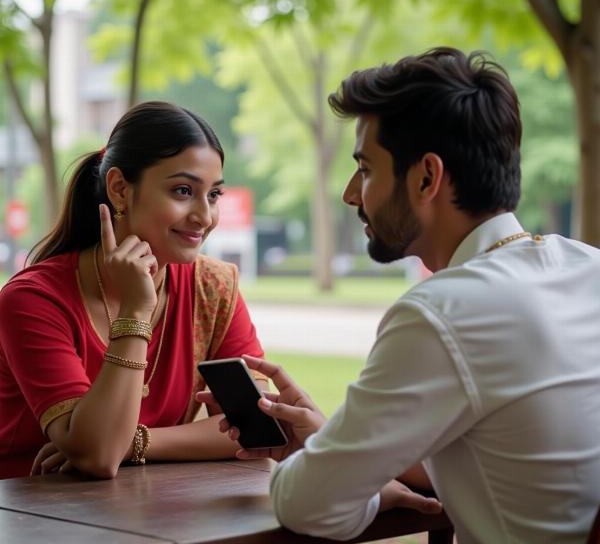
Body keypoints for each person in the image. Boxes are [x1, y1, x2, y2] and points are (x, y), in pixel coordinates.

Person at [199, 48, 600, 542]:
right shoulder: (589, 267)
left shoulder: (445, 311)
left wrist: (340, 477)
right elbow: (518, 455)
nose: (350, 193)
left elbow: (307, 506)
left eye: (365, 168)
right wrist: (336, 448)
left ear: (426, 177)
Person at [0, 101, 266, 480]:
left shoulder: (215, 288)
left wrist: (138, 442)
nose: (205, 218)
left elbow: (256, 426)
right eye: (183, 190)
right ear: (120, 189)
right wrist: (136, 310)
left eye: (213, 195)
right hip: (32, 517)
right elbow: (98, 456)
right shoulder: (33, 300)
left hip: (155, 516)